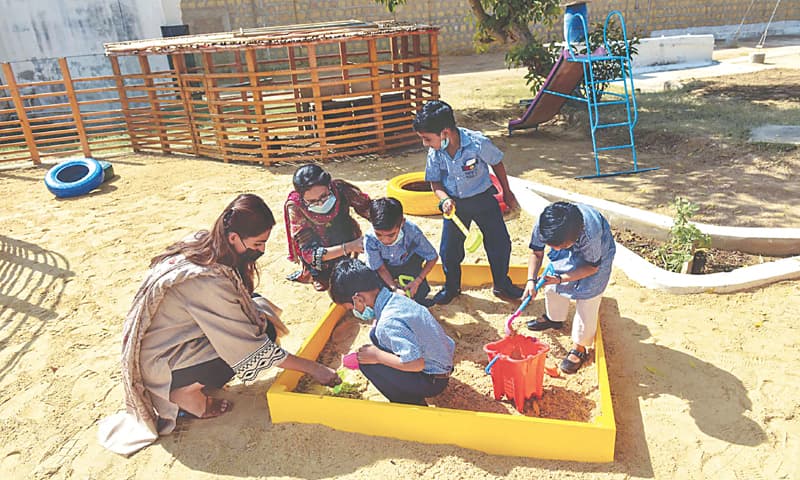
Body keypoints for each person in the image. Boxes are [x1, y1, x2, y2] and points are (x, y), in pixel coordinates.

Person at [98, 194, 341, 455]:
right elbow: (250, 348)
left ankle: (191, 379)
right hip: (160, 361)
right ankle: (183, 393)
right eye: (258, 243)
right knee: (259, 339)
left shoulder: (207, 242)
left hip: (171, 341)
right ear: (234, 237)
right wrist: (314, 369)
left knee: (259, 314)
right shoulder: (206, 281)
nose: (261, 250)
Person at [413, 99, 522, 305]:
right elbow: (434, 181)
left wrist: (507, 193)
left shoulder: (477, 143)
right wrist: (444, 200)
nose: (425, 144)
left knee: (499, 244)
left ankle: (502, 284)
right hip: (455, 207)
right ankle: (452, 287)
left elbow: (497, 163)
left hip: (483, 200)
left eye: (427, 139)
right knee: (449, 250)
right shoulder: (435, 152)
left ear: (445, 133)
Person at [329, 258, 455, 406]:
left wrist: (378, 357)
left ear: (358, 299)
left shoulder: (388, 323)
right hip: (443, 362)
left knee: (368, 364)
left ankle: (410, 403)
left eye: (351, 308)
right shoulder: (396, 298)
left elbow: (416, 364)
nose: (354, 312)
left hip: (433, 381)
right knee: (375, 336)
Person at [523, 201, 616, 374]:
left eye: (560, 246)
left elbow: (591, 267)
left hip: (597, 257)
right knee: (549, 285)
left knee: (588, 297)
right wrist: (531, 280)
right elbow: (536, 252)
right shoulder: (546, 224)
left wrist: (559, 279)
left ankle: (580, 347)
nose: (555, 249)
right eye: (552, 245)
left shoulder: (590, 234)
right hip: (567, 240)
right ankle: (555, 318)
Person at [284, 164, 371, 291]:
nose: (320, 203)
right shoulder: (297, 207)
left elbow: (368, 207)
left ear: (329, 185)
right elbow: (310, 253)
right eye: (312, 201)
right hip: (320, 247)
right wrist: (350, 246)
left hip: (344, 233)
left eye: (324, 196)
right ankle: (317, 276)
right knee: (326, 282)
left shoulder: (341, 189)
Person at [364, 197, 439, 306]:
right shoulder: (370, 239)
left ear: (402, 223)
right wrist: (394, 288)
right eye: (379, 235)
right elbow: (380, 268)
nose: (385, 240)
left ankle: (419, 301)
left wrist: (417, 281)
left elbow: (432, 257)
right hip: (386, 266)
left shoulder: (412, 231)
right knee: (380, 293)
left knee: (419, 291)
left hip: (409, 262)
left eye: (391, 235)